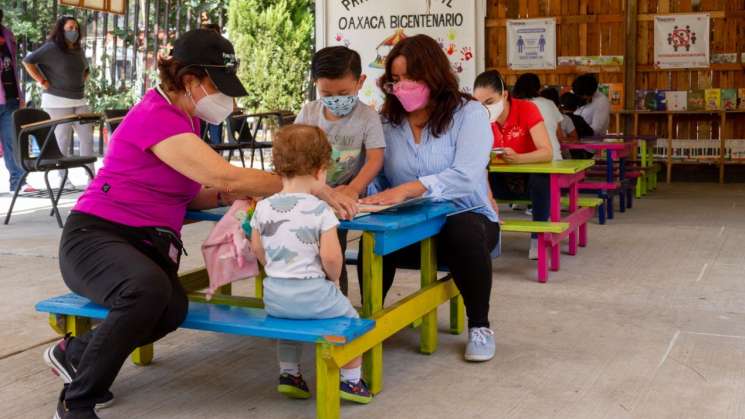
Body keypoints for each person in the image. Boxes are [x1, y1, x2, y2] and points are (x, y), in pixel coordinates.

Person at [43, 30, 356, 419]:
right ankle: (77, 401)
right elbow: (227, 176)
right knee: (146, 292)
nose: (229, 98)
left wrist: (231, 197)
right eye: (218, 85)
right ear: (190, 81)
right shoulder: (156, 116)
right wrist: (307, 186)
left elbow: (195, 194)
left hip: (145, 244)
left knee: (171, 309)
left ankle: (73, 353)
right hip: (97, 237)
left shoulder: (187, 122)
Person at [358, 34, 500, 362]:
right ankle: (369, 319)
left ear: (434, 75)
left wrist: (410, 188)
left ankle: (479, 325)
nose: (402, 86)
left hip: (468, 221)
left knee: (462, 229)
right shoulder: (387, 121)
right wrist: (365, 196)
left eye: (411, 77)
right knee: (373, 235)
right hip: (409, 223)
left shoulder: (469, 114)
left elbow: (465, 176)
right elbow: (376, 173)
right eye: (395, 79)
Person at [250, 124, 373, 404]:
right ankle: (351, 381)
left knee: (287, 328)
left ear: (279, 168)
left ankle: (289, 374)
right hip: (315, 295)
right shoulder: (321, 210)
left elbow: (256, 247)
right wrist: (333, 280)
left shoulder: (264, 207)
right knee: (351, 322)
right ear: (321, 169)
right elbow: (331, 257)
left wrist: (275, 268)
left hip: (275, 297)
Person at [294, 45, 385, 294]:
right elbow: (295, 155)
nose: (335, 99)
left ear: (360, 82)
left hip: (343, 199)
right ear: (316, 85)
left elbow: (376, 159)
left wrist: (354, 190)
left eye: (343, 92)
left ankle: (337, 301)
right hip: (310, 195)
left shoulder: (368, 117)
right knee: (304, 252)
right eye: (326, 92)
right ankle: (307, 301)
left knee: (334, 250)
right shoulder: (309, 112)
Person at [473, 70, 552, 260]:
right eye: (479, 104)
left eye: (490, 102)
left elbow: (547, 152)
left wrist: (519, 159)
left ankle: (538, 238)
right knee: (474, 178)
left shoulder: (527, 109)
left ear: (505, 95)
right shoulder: (479, 117)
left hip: (529, 180)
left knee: (541, 179)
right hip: (499, 180)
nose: (485, 108)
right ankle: (485, 236)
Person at [23, 16, 95, 182]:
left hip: (80, 100)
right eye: (70, 28)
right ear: (61, 30)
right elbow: (28, 61)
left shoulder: (78, 50)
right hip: (57, 102)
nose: (74, 31)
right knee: (61, 140)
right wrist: (42, 81)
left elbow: (86, 68)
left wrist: (83, 77)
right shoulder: (51, 48)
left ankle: (91, 177)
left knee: (87, 139)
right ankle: (62, 178)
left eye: (76, 28)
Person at [0, 9, 35, 193]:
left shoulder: (7, 35)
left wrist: (20, 95)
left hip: (10, 97)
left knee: (11, 141)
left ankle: (18, 182)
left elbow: (12, 67)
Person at [511, 73, 562, 161]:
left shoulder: (513, 106)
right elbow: (559, 135)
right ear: (538, 87)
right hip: (554, 157)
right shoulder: (549, 103)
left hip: (522, 160)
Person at [200, 22, 229, 145]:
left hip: (216, 97)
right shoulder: (198, 52)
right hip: (200, 98)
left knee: (215, 136)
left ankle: (215, 156)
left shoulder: (223, 53)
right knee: (199, 134)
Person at [560, 91, 596, 159]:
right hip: (578, 152)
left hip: (562, 153)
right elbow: (590, 132)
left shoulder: (558, 119)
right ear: (576, 107)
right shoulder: (578, 119)